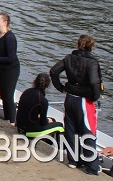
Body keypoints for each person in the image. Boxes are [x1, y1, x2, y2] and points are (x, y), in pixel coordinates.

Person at [50, 34, 102, 175]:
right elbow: (93, 82)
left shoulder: (68, 58)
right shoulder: (92, 63)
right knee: (88, 131)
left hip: (69, 98)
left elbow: (54, 71)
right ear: (92, 46)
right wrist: (95, 96)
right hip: (84, 101)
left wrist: (60, 87)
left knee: (70, 130)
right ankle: (91, 167)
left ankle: (73, 161)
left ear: (78, 45)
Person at [16, 73, 64, 138]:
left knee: (52, 119)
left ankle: (47, 141)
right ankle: (59, 146)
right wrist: (48, 120)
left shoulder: (27, 91)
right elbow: (43, 122)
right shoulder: (43, 100)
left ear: (35, 81)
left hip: (19, 126)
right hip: (28, 131)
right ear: (47, 85)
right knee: (59, 126)